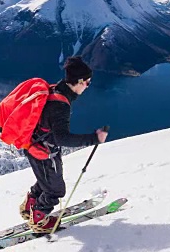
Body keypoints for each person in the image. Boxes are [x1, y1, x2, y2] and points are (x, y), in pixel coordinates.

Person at [19, 56, 108, 233]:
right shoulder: (60, 106)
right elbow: (63, 139)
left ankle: (29, 204)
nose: (88, 86)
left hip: (35, 144)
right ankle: (38, 219)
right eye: (88, 82)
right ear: (79, 81)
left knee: (47, 180)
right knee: (56, 191)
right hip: (43, 151)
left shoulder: (54, 90)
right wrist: (94, 139)